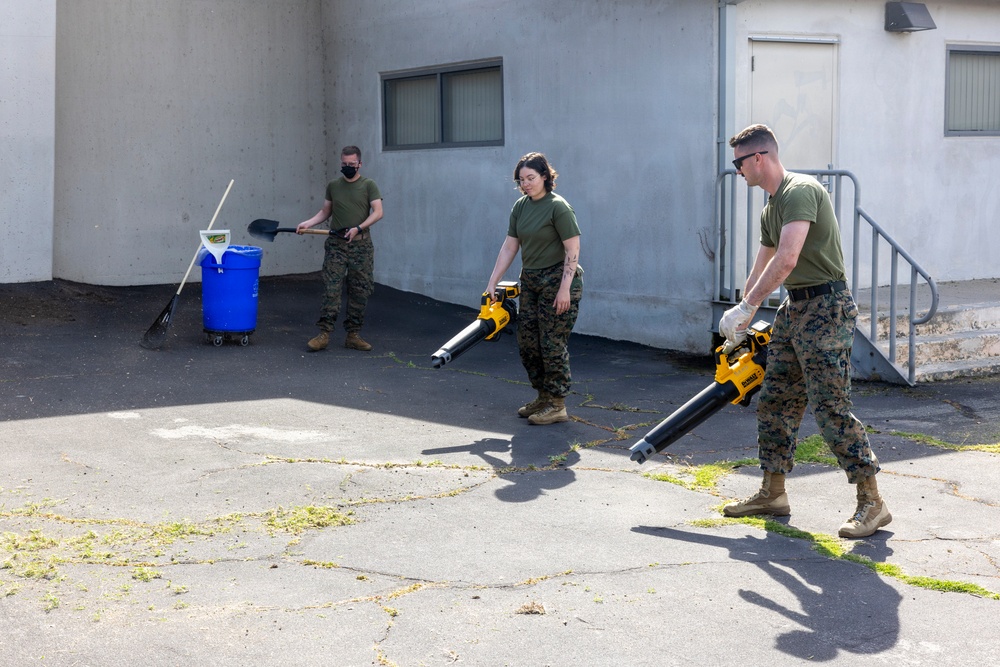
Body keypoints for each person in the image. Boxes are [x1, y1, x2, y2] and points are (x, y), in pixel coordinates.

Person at [719, 124, 890, 539]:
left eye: (739, 162)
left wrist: (751, 305)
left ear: (759, 158)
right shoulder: (769, 207)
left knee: (830, 405)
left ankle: (873, 503)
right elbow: (762, 264)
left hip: (826, 307)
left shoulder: (800, 190)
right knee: (776, 400)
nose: (737, 170)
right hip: (795, 309)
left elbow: (788, 257)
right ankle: (773, 493)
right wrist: (740, 315)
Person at [487, 152, 583, 426]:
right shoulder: (520, 207)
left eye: (531, 178)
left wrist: (565, 289)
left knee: (552, 344)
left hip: (558, 280)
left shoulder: (558, 207)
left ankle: (557, 404)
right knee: (528, 342)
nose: (526, 184)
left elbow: (572, 249)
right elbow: (510, 246)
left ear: (545, 176)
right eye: (521, 180)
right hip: (530, 279)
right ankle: (542, 397)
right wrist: (492, 281)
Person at [297, 146, 383, 352]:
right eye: (344, 164)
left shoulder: (369, 185)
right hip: (336, 245)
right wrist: (308, 223)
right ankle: (324, 334)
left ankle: (353, 335)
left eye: (351, 165)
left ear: (359, 164)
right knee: (331, 289)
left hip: (360, 245)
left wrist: (358, 228)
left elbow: (378, 212)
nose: (347, 168)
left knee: (360, 289)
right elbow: (325, 211)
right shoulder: (334, 186)